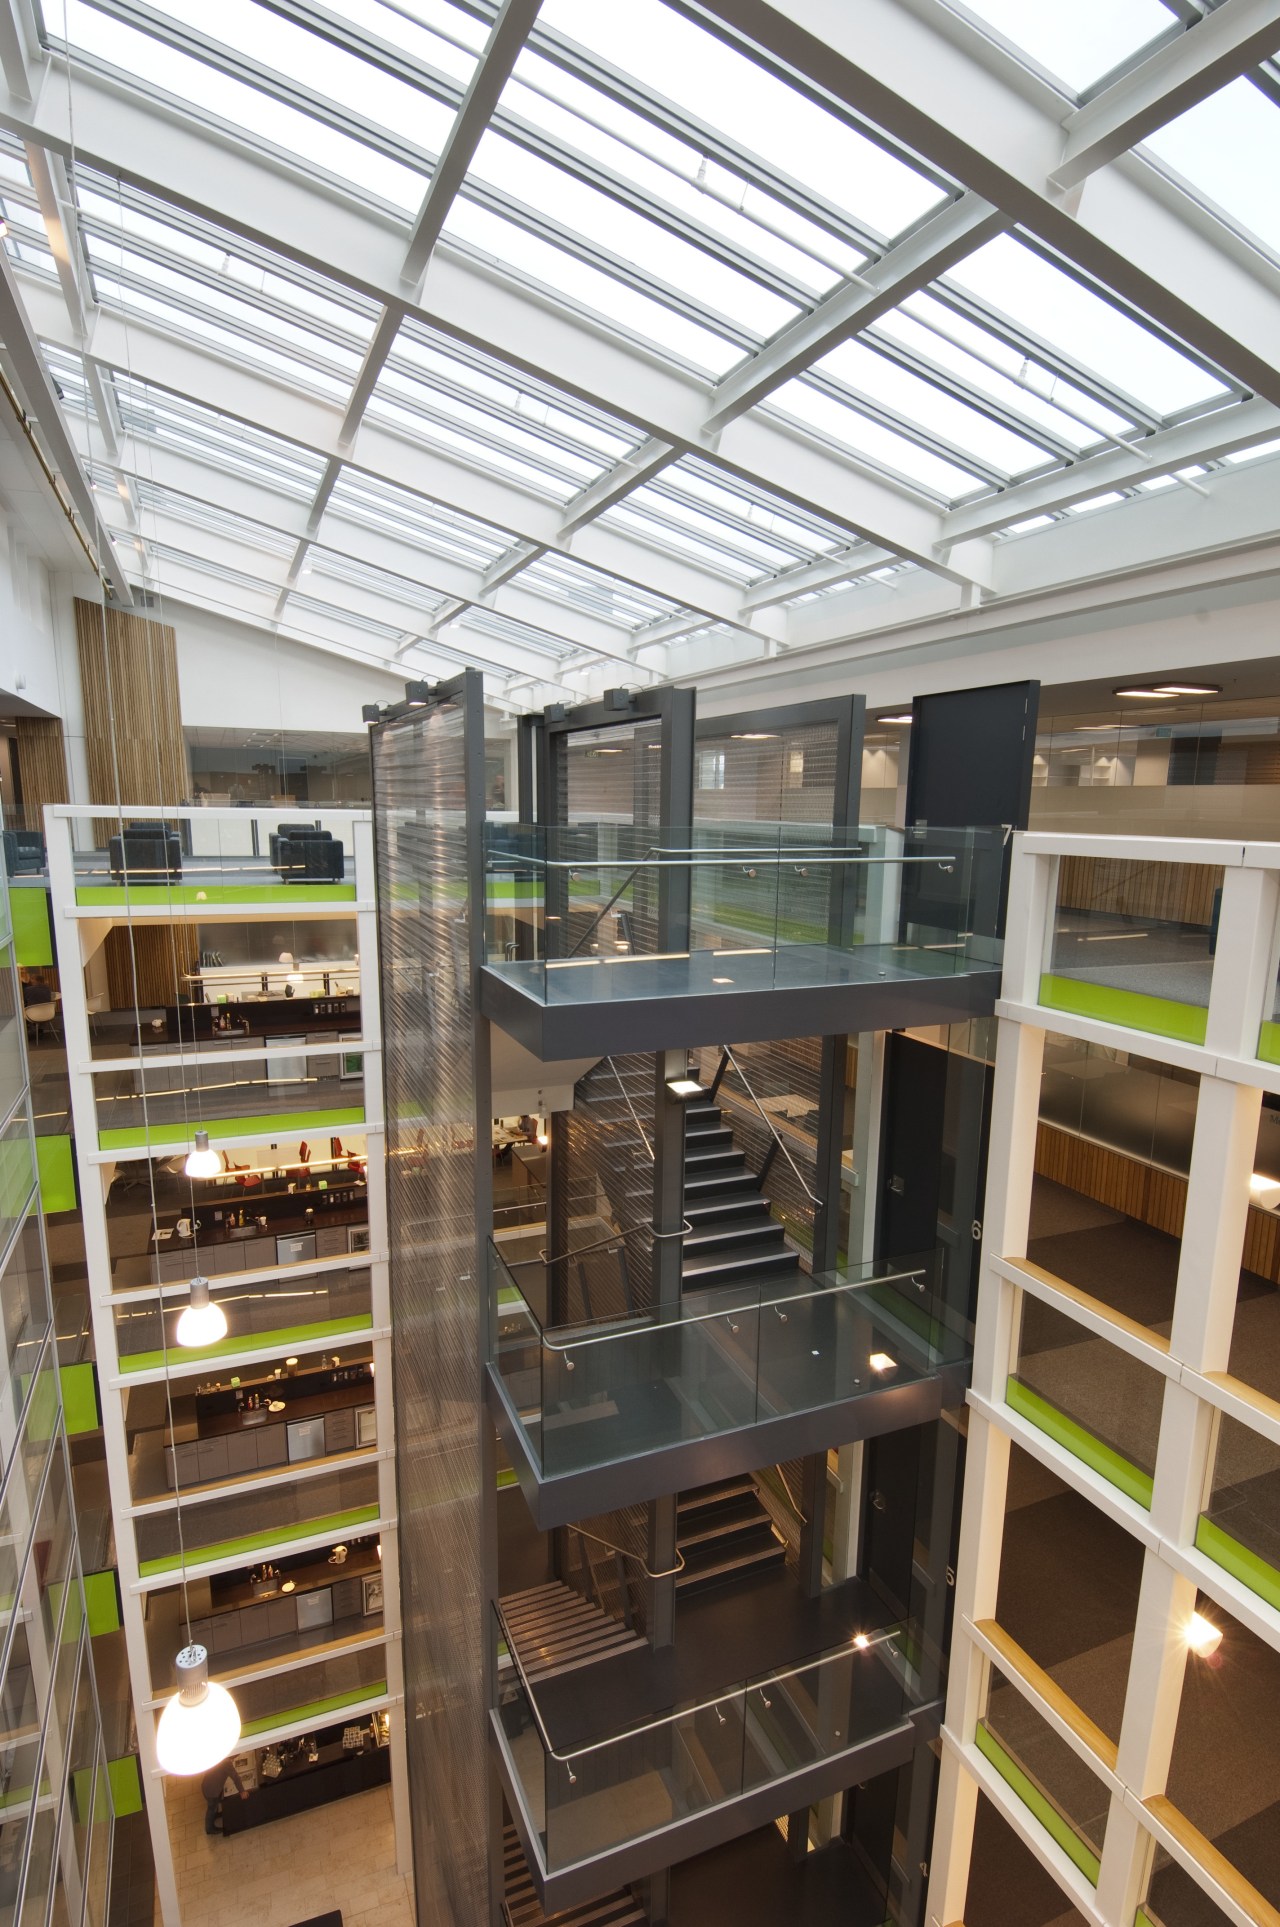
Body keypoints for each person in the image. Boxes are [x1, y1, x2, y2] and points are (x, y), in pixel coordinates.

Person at [201, 1758, 247, 1835]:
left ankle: (216, 1815)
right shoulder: (226, 1763)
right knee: (211, 1808)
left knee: (213, 1806)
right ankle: (209, 1829)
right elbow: (235, 1778)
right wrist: (242, 1791)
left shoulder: (220, 1758)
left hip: (206, 1786)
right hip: (212, 1791)